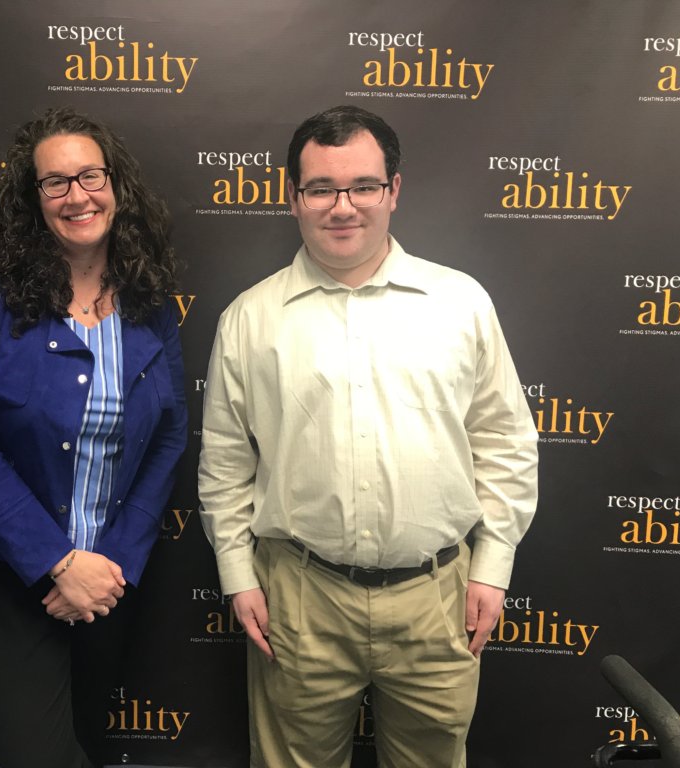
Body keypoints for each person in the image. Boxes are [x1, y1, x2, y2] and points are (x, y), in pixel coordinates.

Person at [198, 105, 539, 768]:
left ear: (394, 192)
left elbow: (504, 441)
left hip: (437, 597)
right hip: (298, 600)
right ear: (293, 197)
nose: (343, 206)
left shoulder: (460, 303)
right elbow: (225, 463)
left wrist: (494, 566)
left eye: (363, 186)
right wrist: (238, 574)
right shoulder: (249, 319)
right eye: (321, 187)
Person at [0, 106, 187, 768]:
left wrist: (114, 564)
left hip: (109, 573)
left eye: (90, 176)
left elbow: (170, 435)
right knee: (40, 754)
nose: (78, 195)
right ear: (34, 199)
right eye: (56, 182)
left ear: (116, 186)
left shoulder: (149, 299)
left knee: (89, 737)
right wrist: (56, 560)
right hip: (11, 570)